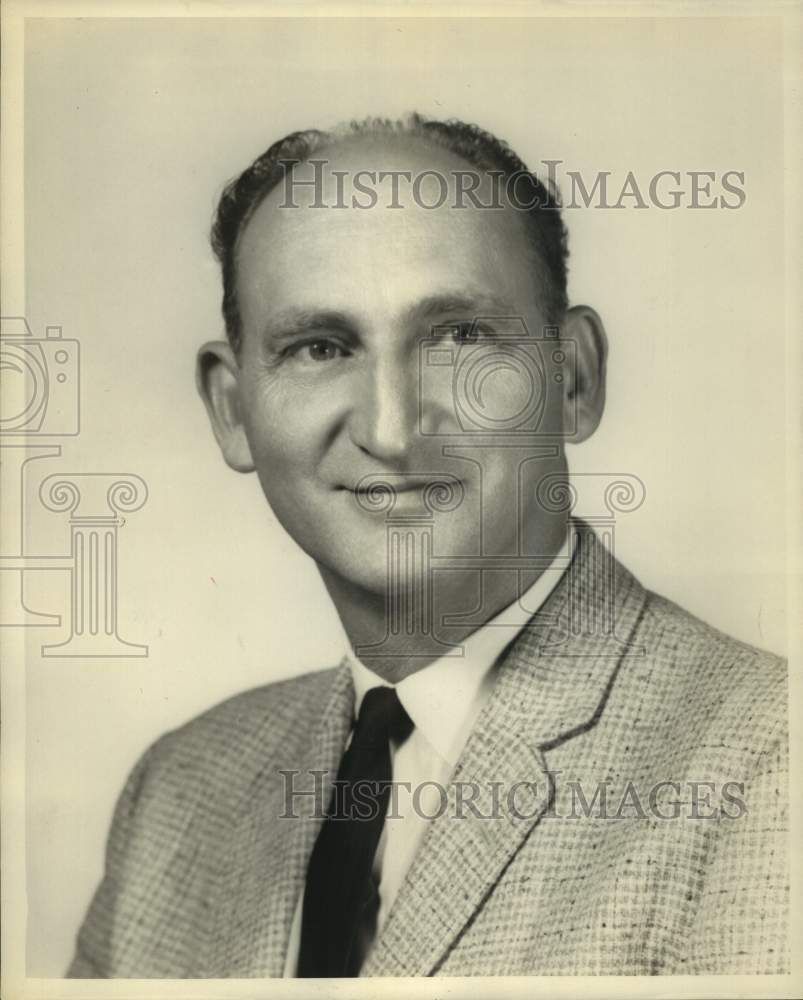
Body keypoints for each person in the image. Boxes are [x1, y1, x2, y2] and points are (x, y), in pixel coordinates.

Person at [67, 114, 788, 978]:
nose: (391, 428)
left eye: (457, 337)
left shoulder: (767, 765)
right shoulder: (178, 793)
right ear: (232, 410)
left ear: (573, 380)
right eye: (319, 347)